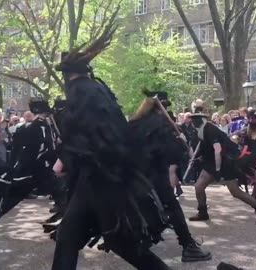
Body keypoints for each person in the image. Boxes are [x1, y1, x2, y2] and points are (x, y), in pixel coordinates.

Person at [50, 30, 172, 270]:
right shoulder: (99, 89)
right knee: (71, 237)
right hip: (103, 176)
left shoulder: (79, 92)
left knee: (115, 240)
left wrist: (64, 160)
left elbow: (82, 133)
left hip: (97, 177)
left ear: (67, 75)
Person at [128, 89, 211, 262]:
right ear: (161, 107)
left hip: (138, 174)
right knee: (172, 207)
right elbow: (169, 150)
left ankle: (143, 240)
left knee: (147, 207)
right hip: (157, 172)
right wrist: (174, 166)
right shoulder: (162, 124)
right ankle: (188, 246)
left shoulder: (134, 123)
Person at [0, 98, 56, 235]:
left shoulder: (30, 127)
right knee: (13, 198)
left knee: (12, 199)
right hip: (36, 169)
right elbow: (46, 148)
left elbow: (18, 148)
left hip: (29, 169)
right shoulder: (41, 127)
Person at [188, 113, 256, 225]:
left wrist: (218, 170)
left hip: (226, 162)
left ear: (202, 120)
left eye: (196, 119)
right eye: (192, 119)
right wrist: (200, 159)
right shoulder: (200, 131)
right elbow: (207, 150)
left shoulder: (210, 130)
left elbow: (217, 150)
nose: (194, 122)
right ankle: (202, 212)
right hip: (211, 163)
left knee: (235, 192)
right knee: (199, 186)